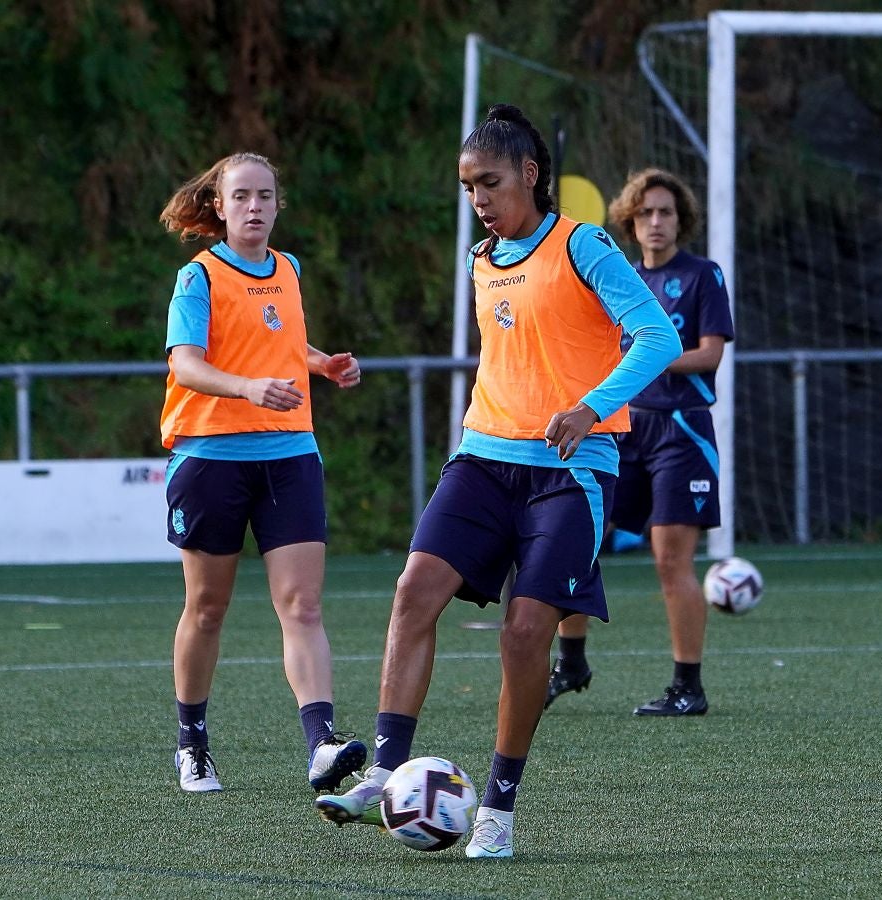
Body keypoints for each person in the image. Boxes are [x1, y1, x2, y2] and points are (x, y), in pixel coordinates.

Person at [314, 105, 681, 858]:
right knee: (414, 592)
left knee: (522, 632)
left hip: (571, 472)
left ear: (529, 175)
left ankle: (498, 811)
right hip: (482, 459)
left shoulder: (584, 246)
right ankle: (386, 770)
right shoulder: (483, 258)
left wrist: (589, 408)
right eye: (466, 187)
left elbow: (658, 336)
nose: (477, 197)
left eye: (488, 181)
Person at [157, 152, 366, 794]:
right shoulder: (198, 279)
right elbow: (187, 365)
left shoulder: (290, 269)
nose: (255, 207)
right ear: (219, 207)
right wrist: (248, 387)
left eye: (265, 196)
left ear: (278, 205)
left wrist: (319, 364)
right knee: (209, 608)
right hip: (211, 458)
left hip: (290, 454)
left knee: (302, 605)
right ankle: (192, 742)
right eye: (242, 196)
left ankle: (321, 746)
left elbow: (280, 345)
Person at [546, 168, 734, 716]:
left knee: (669, 559)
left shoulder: (703, 276)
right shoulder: (620, 277)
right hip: (621, 427)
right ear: (630, 220)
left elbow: (709, 354)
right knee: (576, 539)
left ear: (681, 221)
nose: (656, 222)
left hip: (682, 430)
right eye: (646, 212)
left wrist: (650, 353)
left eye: (666, 212)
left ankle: (688, 687)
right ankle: (571, 661)